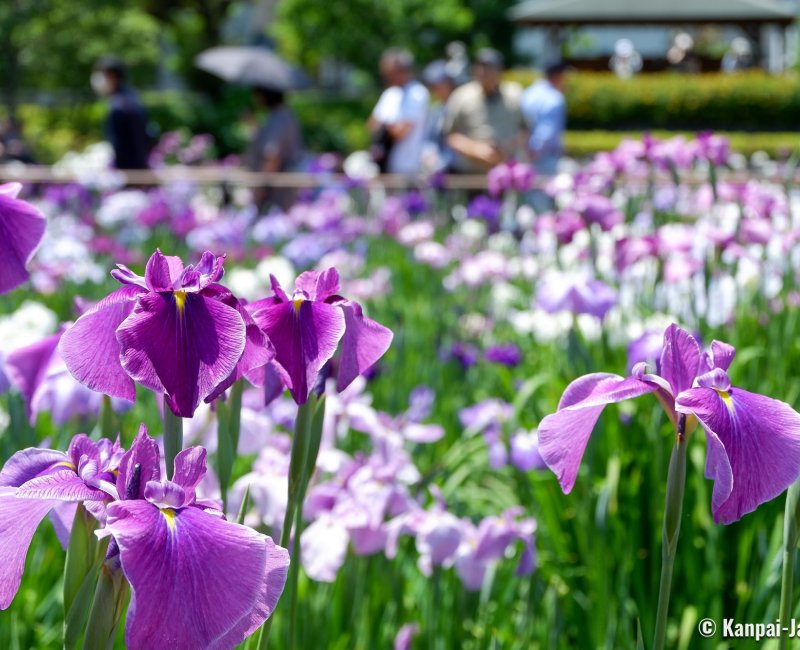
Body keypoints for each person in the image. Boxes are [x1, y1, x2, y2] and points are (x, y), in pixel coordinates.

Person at [442, 48, 526, 174]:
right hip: (470, 173)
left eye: (489, 67)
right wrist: (475, 149)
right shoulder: (461, 96)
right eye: (480, 67)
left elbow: (525, 130)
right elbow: (450, 136)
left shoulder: (514, 95)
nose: (484, 72)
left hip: (505, 172)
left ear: (500, 70)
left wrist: (507, 147)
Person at [368, 48, 430, 174]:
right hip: (384, 165)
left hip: (408, 167)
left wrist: (385, 125)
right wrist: (390, 126)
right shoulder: (390, 93)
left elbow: (401, 132)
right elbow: (371, 126)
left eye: (390, 72)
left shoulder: (417, 93)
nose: (386, 76)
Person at [246, 86, 304, 210]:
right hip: (280, 189)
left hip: (276, 192)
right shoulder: (284, 115)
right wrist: (253, 125)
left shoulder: (278, 119)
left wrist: (260, 188)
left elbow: (272, 156)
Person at [92, 56, 150, 169]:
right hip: (137, 168)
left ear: (112, 76)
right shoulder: (130, 97)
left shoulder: (120, 105)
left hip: (130, 172)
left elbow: (127, 145)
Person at [521, 60, 568, 176]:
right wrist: (534, 151)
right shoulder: (555, 97)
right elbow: (546, 131)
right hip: (544, 157)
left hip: (523, 154)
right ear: (558, 75)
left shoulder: (528, 92)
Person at [421, 59, 457, 172]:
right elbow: (429, 139)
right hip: (439, 171)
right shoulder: (436, 110)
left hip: (458, 168)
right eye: (433, 86)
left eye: (439, 84)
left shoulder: (462, 106)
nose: (436, 89)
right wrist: (428, 154)